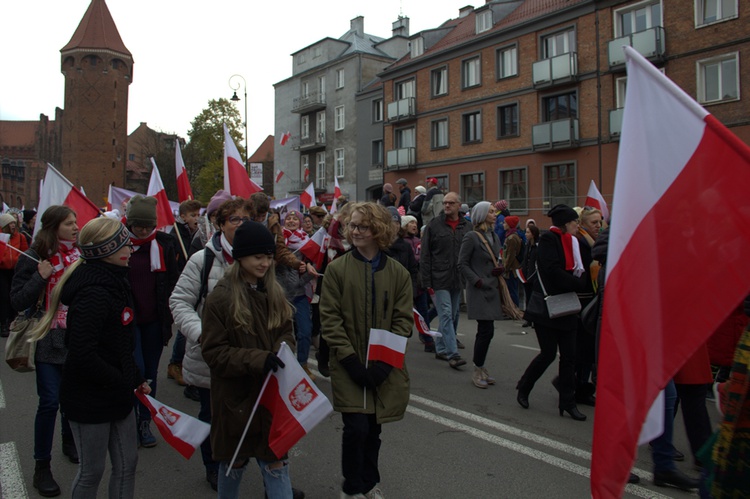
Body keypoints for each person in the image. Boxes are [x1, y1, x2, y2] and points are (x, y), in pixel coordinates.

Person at [30, 217, 150, 498]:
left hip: (117, 393)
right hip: (89, 398)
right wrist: (122, 381)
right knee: (91, 471)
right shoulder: (94, 293)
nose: (131, 249)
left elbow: (120, 344)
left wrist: (135, 378)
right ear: (107, 250)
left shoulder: (115, 281)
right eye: (124, 244)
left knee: (127, 464)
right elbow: (83, 353)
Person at [320, 202, 411, 499]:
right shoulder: (336, 269)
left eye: (362, 226)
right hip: (349, 363)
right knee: (356, 428)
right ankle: (352, 487)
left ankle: (369, 483)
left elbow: (402, 321)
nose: (355, 231)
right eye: (352, 225)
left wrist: (384, 365)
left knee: (373, 429)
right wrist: (351, 362)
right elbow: (330, 319)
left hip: (384, 364)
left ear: (378, 231)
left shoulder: (398, 273)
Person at [200, 220, 297, 499]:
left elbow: (286, 332)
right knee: (235, 462)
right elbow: (214, 353)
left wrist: (283, 352)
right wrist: (258, 359)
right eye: (258, 257)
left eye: (268, 256)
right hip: (236, 400)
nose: (265, 263)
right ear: (240, 257)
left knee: (276, 463)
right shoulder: (221, 297)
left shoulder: (273, 292)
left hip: (270, 397)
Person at [169, 197, 252, 491]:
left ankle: (269, 474)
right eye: (234, 220)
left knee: (252, 415)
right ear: (219, 224)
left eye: (245, 219)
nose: (240, 225)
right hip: (212, 356)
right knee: (211, 416)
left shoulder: (258, 256)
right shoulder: (202, 260)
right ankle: (214, 467)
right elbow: (179, 302)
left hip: (248, 356)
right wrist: (203, 334)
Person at [11, 205, 81, 496]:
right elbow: (17, 300)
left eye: (76, 222)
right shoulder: (34, 256)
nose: (76, 227)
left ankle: (68, 440)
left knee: (71, 398)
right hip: (46, 337)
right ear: (53, 228)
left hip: (76, 337)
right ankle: (42, 467)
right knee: (50, 401)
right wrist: (41, 276)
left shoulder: (83, 256)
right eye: (69, 224)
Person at [516, 204, 589, 421]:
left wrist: (579, 281)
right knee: (548, 354)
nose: (578, 225)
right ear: (566, 223)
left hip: (567, 307)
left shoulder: (574, 243)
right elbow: (551, 271)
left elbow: (581, 269)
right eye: (575, 222)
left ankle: (568, 402)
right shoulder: (549, 240)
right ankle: (524, 387)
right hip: (547, 309)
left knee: (569, 357)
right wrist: (576, 284)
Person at [124, 195, 178, 447]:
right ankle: (128, 418)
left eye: (148, 226)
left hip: (155, 319)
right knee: (135, 368)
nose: (144, 231)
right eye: (138, 226)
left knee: (150, 373)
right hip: (128, 320)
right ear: (130, 224)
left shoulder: (166, 244)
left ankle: (145, 420)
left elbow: (175, 280)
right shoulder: (119, 243)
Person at [421, 192, 473, 369]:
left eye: (451, 203)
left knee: (454, 314)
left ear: (459, 205)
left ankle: (441, 347)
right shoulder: (434, 225)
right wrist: (426, 280)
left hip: (458, 278)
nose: (447, 206)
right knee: (445, 313)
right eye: (445, 203)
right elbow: (425, 255)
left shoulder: (467, 227)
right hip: (439, 277)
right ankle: (453, 354)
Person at [458, 202, 505, 389]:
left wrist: (499, 269)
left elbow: (495, 258)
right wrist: (476, 280)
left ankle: (481, 366)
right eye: (491, 212)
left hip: (492, 287)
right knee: (485, 331)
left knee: (488, 331)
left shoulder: (493, 235)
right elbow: (462, 263)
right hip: (479, 289)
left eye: (495, 212)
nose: (495, 215)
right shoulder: (471, 237)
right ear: (482, 214)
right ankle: (477, 369)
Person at [278, 210, 318, 377]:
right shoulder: (278, 240)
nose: (292, 221)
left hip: (299, 293)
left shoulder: (306, 242)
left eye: (295, 219)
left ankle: (302, 364)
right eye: (288, 218)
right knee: (282, 335)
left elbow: (311, 264)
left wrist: (308, 272)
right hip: (280, 296)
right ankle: (282, 366)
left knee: (304, 331)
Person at [168, 199, 203, 389]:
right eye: (192, 215)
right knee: (186, 327)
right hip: (184, 280)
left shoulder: (197, 233)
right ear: (182, 217)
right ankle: (175, 363)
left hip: (194, 279)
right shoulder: (176, 234)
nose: (196, 219)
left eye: (198, 215)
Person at [1, 212, 28, 336]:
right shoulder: (1, 238)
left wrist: (18, 261)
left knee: (14, 295)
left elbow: (24, 252)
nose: (13, 225)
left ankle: (13, 319)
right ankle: (4, 322)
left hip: (15, 271)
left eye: (14, 222)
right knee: (4, 297)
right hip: (2, 271)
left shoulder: (20, 237)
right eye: (10, 223)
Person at [521, 224, 540, 327]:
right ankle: (528, 318)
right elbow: (525, 260)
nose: (526, 234)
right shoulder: (527, 245)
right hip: (526, 276)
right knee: (527, 297)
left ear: (533, 234)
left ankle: (535, 319)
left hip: (534, 276)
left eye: (528, 232)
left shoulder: (537, 246)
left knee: (534, 298)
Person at [501, 215, 523, 307]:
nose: (503, 224)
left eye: (505, 223)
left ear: (510, 225)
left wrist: (505, 267)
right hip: (511, 268)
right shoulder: (510, 236)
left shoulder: (512, 238)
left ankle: (514, 309)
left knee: (512, 290)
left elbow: (510, 255)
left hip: (511, 269)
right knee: (511, 290)